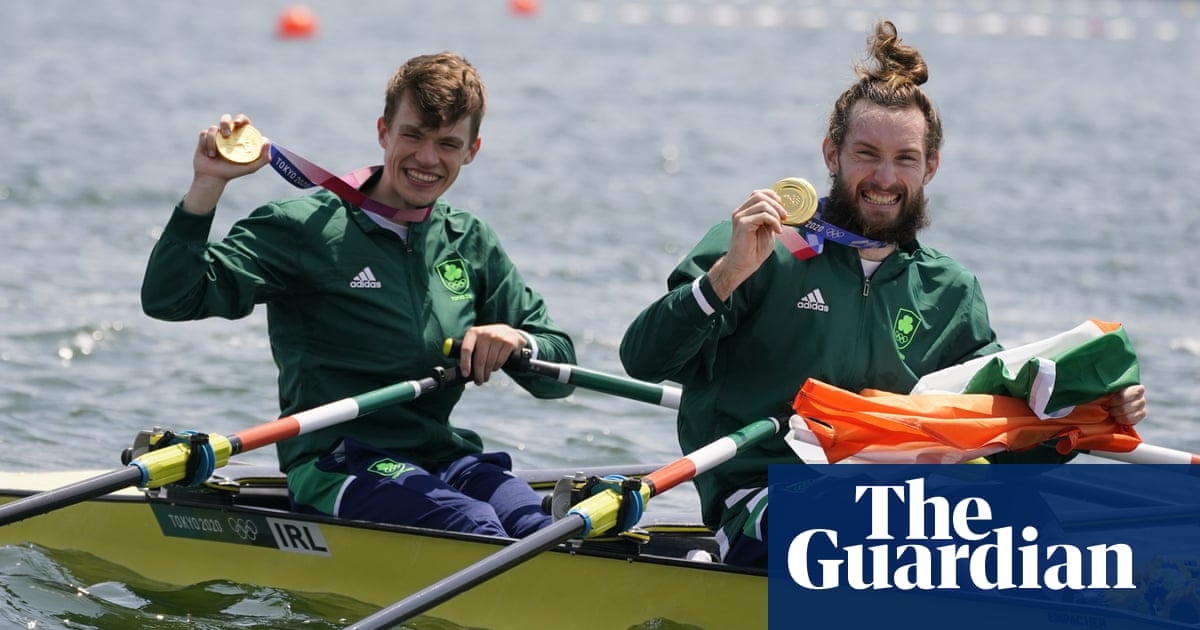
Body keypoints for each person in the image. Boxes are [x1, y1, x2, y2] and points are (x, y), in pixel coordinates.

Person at [618, 21, 1147, 569]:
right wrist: (726, 276)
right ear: (831, 154)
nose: (885, 178)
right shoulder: (761, 247)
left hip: (896, 505)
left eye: (906, 159)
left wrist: (1091, 413)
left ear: (930, 167)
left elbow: (1001, 439)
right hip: (765, 497)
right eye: (867, 154)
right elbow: (643, 358)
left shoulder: (951, 292)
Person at [141, 51, 576, 538]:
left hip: (446, 459)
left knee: (542, 528)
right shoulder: (303, 227)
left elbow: (559, 376)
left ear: (472, 150)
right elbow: (171, 299)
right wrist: (207, 185)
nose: (428, 158)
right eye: (413, 135)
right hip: (340, 460)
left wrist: (517, 340)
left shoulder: (470, 240)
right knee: (470, 523)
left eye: (448, 143)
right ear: (383, 131)